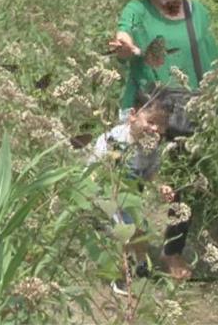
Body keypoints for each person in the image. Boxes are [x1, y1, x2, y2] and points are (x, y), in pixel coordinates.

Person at [107, 0, 218, 280]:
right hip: (145, 108)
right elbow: (124, 39)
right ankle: (134, 252)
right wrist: (124, 46)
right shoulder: (138, 10)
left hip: (190, 107)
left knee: (182, 186)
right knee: (132, 180)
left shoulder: (197, 11)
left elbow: (211, 55)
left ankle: (172, 253)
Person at [88, 100, 177, 294]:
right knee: (125, 231)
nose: (154, 129)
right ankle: (120, 277)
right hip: (105, 192)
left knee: (141, 229)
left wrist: (160, 186)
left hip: (130, 195)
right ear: (133, 115)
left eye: (161, 125)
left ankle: (142, 264)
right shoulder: (112, 139)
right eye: (151, 121)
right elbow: (95, 173)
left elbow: (152, 173)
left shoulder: (152, 148)